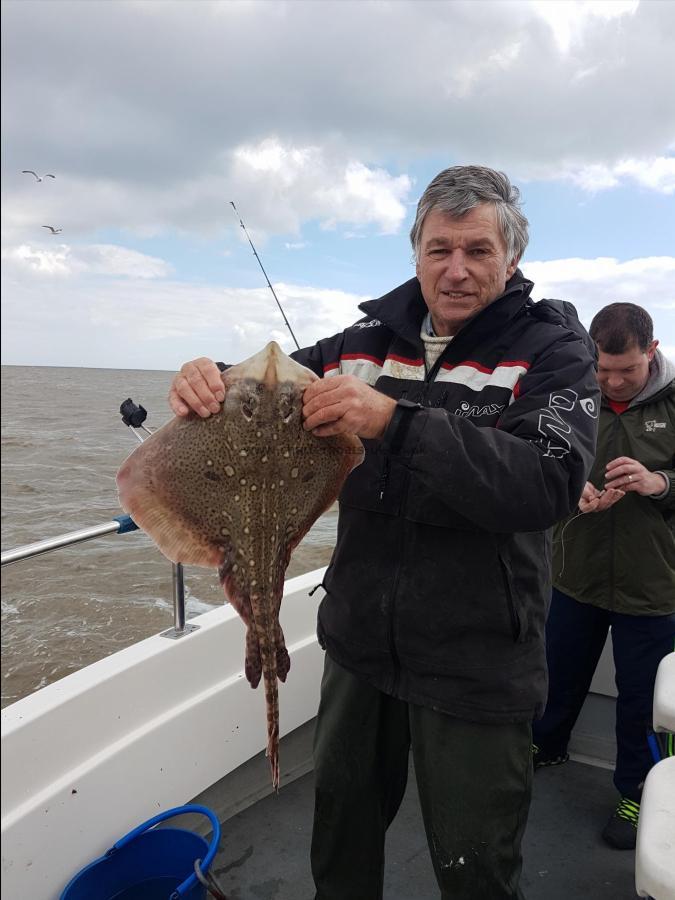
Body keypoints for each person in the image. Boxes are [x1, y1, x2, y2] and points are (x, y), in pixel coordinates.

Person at [169, 165, 600, 899]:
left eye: (476, 250)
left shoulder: (553, 351)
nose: (456, 270)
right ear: (414, 253)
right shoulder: (362, 342)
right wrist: (205, 376)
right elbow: (262, 392)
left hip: (476, 659)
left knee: (475, 864)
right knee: (341, 841)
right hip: (360, 645)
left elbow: (545, 484)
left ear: (511, 259)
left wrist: (396, 424)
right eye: (439, 250)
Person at [532, 302, 675, 851]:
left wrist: (658, 482)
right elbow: (540, 462)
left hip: (654, 585)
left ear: (652, 353)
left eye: (628, 371)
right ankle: (546, 745)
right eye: (603, 369)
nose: (613, 381)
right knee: (555, 671)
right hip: (575, 573)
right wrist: (573, 491)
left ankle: (640, 789)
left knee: (645, 698)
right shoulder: (571, 397)